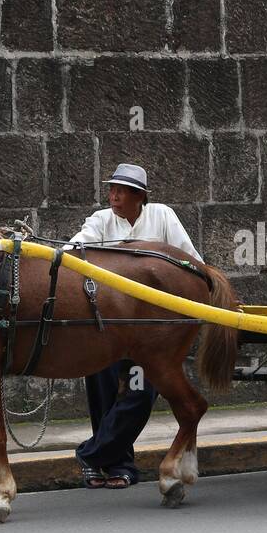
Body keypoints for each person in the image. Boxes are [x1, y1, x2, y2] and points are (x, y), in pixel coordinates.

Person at [69, 164, 202, 489]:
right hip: (105, 328)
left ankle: (94, 454)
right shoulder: (100, 221)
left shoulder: (162, 216)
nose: (113, 195)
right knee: (102, 394)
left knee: (140, 394)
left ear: (139, 196)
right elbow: (74, 250)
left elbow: (190, 258)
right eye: (112, 189)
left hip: (152, 333)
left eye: (121, 190)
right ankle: (118, 465)